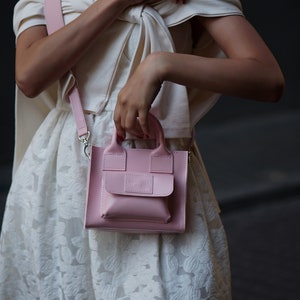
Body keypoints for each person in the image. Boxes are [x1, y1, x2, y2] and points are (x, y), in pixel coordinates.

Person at [0, 0, 285, 299]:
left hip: (160, 175)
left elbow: (268, 79)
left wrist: (162, 65)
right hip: (68, 178)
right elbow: (29, 77)